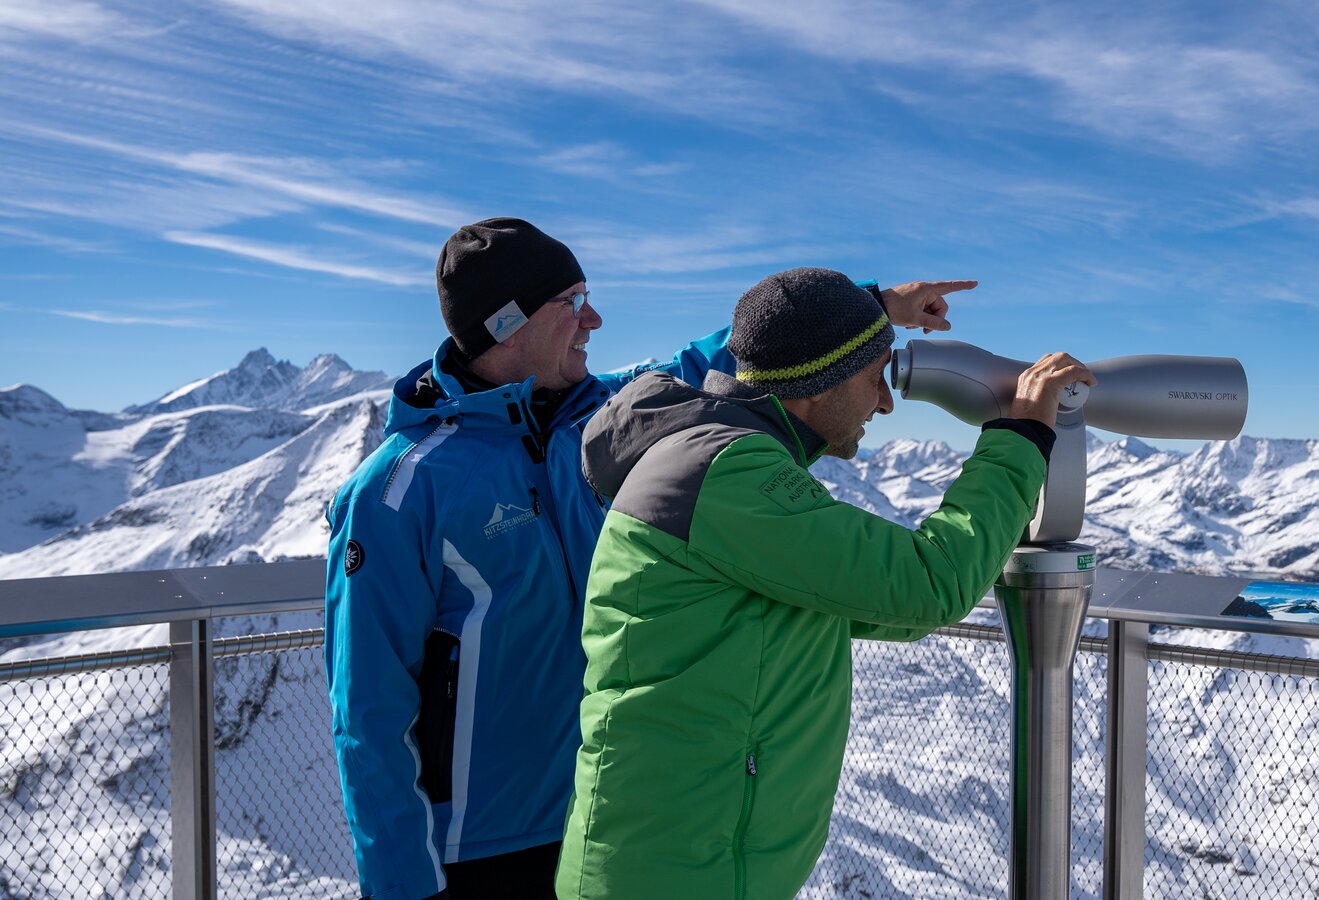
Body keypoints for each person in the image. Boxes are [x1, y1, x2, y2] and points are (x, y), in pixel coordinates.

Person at [324, 220, 969, 900]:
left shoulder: (605, 417)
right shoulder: (399, 489)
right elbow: (367, 707)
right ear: (506, 322)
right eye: (571, 302)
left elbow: (735, 355)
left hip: (608, 822)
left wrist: (870, 307)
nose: (594, 319)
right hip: (478, 849)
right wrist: (401, 884)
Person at [554, 267, 1094, 899]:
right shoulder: (724, 472)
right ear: (821, 382)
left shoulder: (725, 462)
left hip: (687, 859)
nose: (886, 402)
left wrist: (870, 309)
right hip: (671, 870)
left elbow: (875, 602)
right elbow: (929, 586)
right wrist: (1023, 435)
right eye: (874, 378)